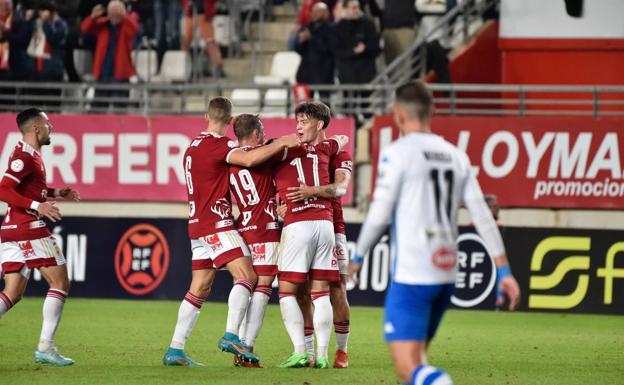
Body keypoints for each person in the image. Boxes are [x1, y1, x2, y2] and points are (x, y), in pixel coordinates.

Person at [348, 81, 521, 385]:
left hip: (413, 272)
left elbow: (379, 212)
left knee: (406, 367)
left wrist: (358, 256)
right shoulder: (456, 155)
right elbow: (481, 214)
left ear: (398, 114)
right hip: (446, 272)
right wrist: (503, 269)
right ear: (433, 111)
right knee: (419, 363)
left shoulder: (398, 153)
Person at [162, 97, 300, 367]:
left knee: (200, 287)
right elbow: (248, 158)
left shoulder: (191, 147)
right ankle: (231, 335)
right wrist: (283, 142)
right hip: (216, 222)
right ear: (228, 121)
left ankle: (175, 350)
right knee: (248, 275)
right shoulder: (221, 145)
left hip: (195, 224)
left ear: (206, 117)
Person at [0, 108, 81, 366]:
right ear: (36, 128)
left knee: (12, 293)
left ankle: (46, 348)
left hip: (11, 229)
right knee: (60, 282)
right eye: (48, 123)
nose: (51, 127)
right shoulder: (24, 156)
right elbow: (3, 189)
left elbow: (31, 189)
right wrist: (37, 206)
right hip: (27, 226)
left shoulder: (31, 155)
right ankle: (45, 348)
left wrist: (57, 192)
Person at [273, 101, 348, 369]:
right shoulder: (329, 148)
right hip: (325, 224)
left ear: (319, 125)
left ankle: (301, 352)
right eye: (298, 121)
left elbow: (341, 188)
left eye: (304, 122)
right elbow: (341, 138)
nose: (298, 127)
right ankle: (323, 354)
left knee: (287, 292)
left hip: (302, 224)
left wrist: (307, 192)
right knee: (320, 293)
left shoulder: (285, 149)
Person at [80, 0, 138, 109]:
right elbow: (85, 28)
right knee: (98, 109)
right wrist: (93, 16)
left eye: (117, 12)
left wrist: (124, 16)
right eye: (113, 12)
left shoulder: (126, 26)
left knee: (120, 109)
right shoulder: (103, 25)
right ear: (109, 13)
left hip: (121, 75)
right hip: (103, 74)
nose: (115, 15)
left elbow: (135, 29)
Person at [331, 0, 380, 123]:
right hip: (348, 74)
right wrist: (354, 51)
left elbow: (376, 47)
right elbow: (337, 50)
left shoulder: (368, 24)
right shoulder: (339, 27)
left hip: (366, 73)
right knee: (349, 109)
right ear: (345, 9)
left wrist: (365, 48)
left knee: (366, 107)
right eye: (352, 7)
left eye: (357, 7)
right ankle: (351, 133)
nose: (355, 10)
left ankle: (367, 131)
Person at [294, 2, 334, 105]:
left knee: (325, 107)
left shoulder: (332, 28)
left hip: (324, 74)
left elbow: (329, 49)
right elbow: (299, 50)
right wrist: (300, 41)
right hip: (305, 75)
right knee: (304, 108)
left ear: (326, 13)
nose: (315, 14)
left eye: (318, 11)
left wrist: (311, 38)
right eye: (313, 11)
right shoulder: (307, 27)